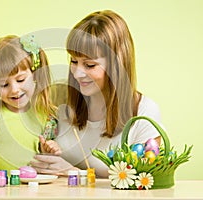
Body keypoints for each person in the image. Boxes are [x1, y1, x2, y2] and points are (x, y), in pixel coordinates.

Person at [30, 10, 163, 178]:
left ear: (117, 65)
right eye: (73, 61)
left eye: (90, 65)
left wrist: (74, 173)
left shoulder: (144, 113)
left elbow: (143, 184)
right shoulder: (61, 99)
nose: (77, 74)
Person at [0, 34, 60, 177]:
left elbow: (50, 166)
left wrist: (49, 151)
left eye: (21, 80)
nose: (14, 89)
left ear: (35, 74)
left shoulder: (46, 116)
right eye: (4, 84)